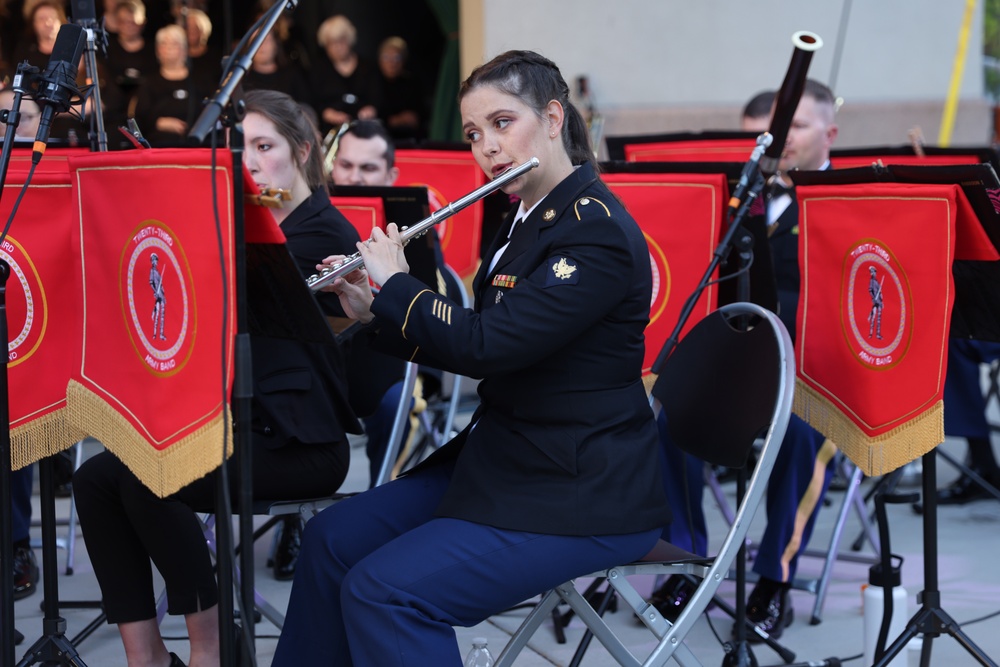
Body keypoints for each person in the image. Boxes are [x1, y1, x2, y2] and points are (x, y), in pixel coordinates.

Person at [271, 49, 671, 666]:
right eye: (474, 134)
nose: (487, 147)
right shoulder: (525, 217)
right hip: (507, 464)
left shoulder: (593, 231)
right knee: (330, 538)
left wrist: (397, 285)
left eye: (503, 123)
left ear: (554, 117)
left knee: (386, 594)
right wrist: (367, 308)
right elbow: (486, 335)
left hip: (577, 490)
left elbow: (490, 345)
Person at [74, 88, 362, 667]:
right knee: (95, 481)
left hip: (299, 442)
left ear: (302, 150)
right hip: (233, 427)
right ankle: (147, 656)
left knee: (150, 476)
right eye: (240, 147)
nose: (250, 161)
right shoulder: (242, 227)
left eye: (264, 145)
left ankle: (210, 650)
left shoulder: (321, 235)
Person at [649, 81, 840, 641]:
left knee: (801, 433)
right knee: (670, 419)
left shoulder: (843, 204)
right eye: (759, 138)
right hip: (739, 368)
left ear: (829, 133)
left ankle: (773, 578)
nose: (776, 145)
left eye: (795, 128)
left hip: (816, 374)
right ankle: (686, 565)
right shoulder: (735, 204)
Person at [0, 87, 42, 618]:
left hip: (34, 330)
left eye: (21, 117)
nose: (8, 126)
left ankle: (14, 542)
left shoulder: (53, 178)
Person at [308, 15, 382, 136]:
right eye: (332, 43)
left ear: (350, 39)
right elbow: (312, 103)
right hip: (331, 133)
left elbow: (377, 98)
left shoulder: (368, 67)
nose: (337, 47)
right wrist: (327, 113)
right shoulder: (318, 70)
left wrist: (371, 109)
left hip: (364, 130)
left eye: (341, 41)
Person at [131, 24, 202, 147]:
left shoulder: (199, 80)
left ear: (184, 50)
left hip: (195, 140)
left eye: (174, 43)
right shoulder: (149, 82)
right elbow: (140, 116)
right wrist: (159, 123)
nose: (168, 48)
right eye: (164, 43)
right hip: (159, 142)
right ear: (157, 50)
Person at [103, 0, 157, 131]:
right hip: (113, 110)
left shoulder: (153, 50)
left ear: (143, 22)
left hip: (145, 108)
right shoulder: (107, 49)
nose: (129, 26)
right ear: (117, 22)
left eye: (133, 22)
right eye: (124, 21)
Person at [376, 36, 426, 141]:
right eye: (386, 57)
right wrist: (396, 120)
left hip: (408, 138)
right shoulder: (373, 84)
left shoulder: (412, 83)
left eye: (396, 57)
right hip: (380, 138)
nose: (391, 62)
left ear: (403, 60)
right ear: (380, 60)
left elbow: (419, 115)